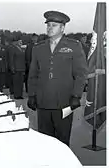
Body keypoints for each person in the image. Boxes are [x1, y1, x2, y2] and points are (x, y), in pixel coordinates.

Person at [27, 11, 88, 146]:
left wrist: (76, 95)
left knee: (62, 140)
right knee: (44, 140)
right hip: (43, 102)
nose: (49, 28)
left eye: (54, 25)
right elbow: (33, 74)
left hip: (64, 102)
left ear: (62, 28)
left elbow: (81, 73)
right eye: (48, 25)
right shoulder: (38, 48)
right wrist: (31, 94)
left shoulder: (74, 46)